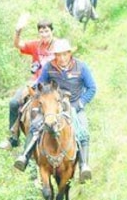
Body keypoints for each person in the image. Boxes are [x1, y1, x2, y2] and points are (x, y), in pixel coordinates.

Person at [14, 38, 96, 182]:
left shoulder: (81, 67)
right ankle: (25, 156)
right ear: (55, 56)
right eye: (58, 55)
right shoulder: (48, 67)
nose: (62, 58)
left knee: (83, 131)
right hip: (52, 105)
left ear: (70, 54)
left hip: (74, 104)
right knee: (35, 125)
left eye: (65, 54)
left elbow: (92, 88)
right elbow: (40, 84)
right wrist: (32, 91)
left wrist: (81, 103)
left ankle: (84, 166)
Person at [0, 15, 56, 150]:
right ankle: (13, 138)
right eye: (41, 32)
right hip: (36, 82)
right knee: (14, 102)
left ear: (52, 31)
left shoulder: (58, 45)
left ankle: (76, 138)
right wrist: (18, 31)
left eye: (47, 31)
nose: (44, 34)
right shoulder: (36, 45)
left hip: (54, 83)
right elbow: (18, 44)